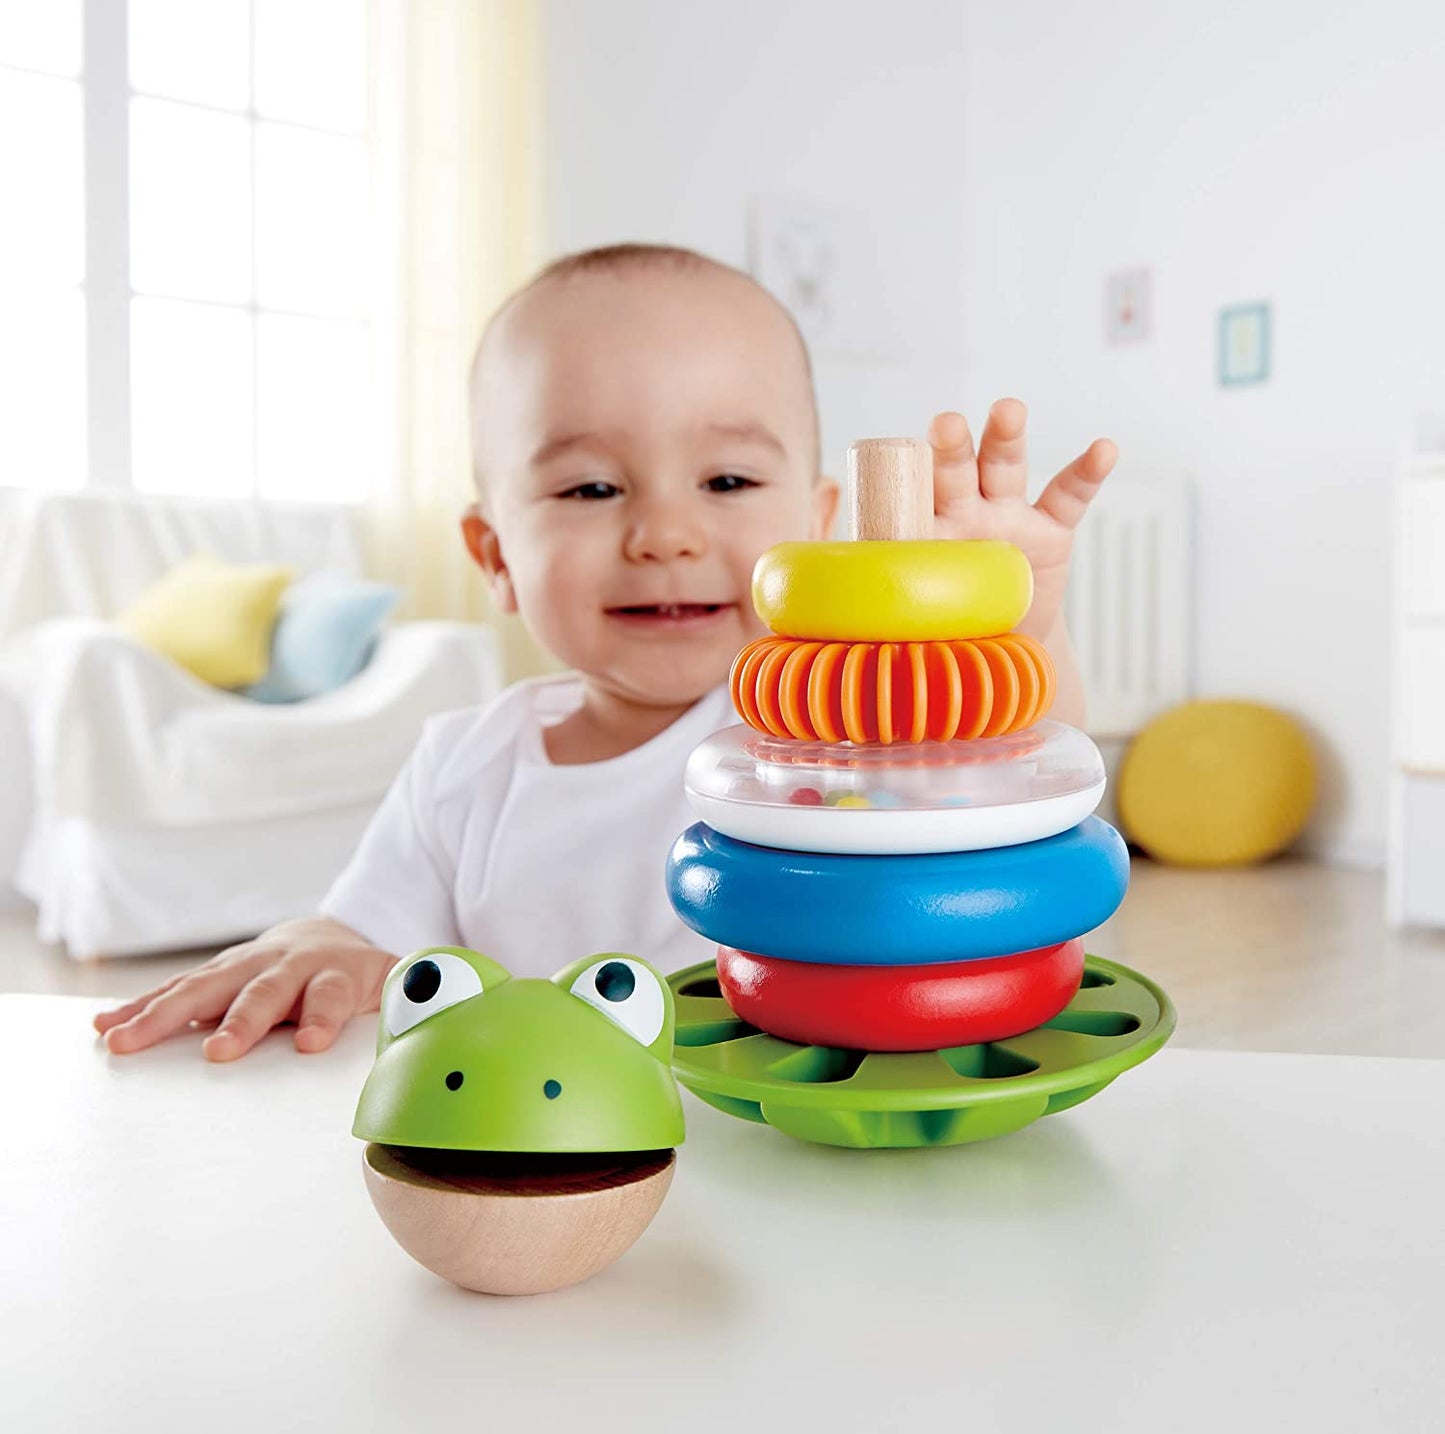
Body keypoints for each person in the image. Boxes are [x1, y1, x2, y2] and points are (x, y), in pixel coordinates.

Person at [94, 242, 1117, 1062]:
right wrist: (314, 944)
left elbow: (1009, 771)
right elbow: (365, 939)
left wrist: (1017, 624)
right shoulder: (463, 769)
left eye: (725, 482)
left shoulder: (839, 739)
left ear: (815, 530)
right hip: (556, 1179)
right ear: (495, 556)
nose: (663, 534)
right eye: (590, 488)